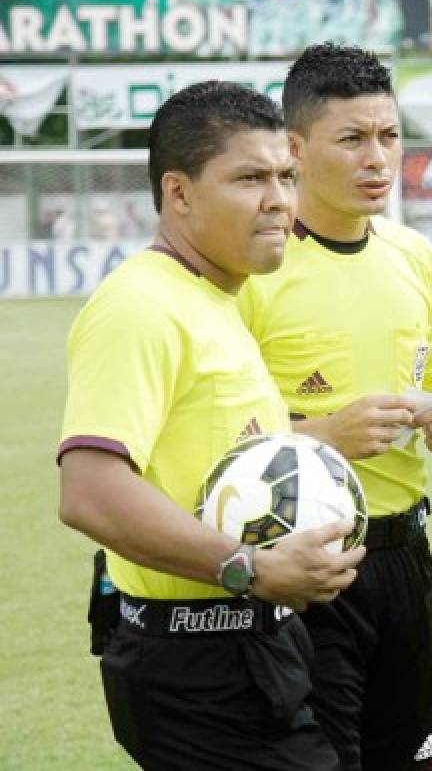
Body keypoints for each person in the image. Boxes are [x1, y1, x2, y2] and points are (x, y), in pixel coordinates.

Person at [57, 80, 365, 769]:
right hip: (195, 660)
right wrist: (249, 569)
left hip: (250, 643)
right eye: (250, 178)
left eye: (286, 176)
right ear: (180, 193)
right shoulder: (140, 307)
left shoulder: (217, 297)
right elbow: (89, 490)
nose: (279, 200)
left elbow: (219, 448)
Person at [238, 42, 432, 771]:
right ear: (296, 148)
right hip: (302, 567)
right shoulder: (253, 272)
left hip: (403, 559)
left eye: (389, 136)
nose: (378, 158)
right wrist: (320, 436)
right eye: (353, 139)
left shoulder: (413, 255)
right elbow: (210, 440)